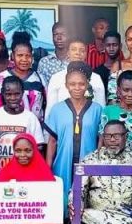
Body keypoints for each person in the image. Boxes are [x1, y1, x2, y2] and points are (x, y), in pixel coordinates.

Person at [45, 62, 104, 203]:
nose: (77, 88)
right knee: (62, 203)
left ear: (87, 84)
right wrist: (47, 169)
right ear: (66, 85)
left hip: (89, 164)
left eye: (81, 84)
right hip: (62, 164)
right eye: (72, 84)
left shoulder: (97, 109)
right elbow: (52, 141)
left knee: (87, 203)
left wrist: (99, 162)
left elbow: (101, 139)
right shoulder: (57, 110)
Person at [0, 76, 45, 173]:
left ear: (22, 93)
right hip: (0, 173)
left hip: (24, 173)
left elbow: (38, 148)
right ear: (2, 94)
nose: (13, 98)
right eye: (8, 94)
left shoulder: (30, 118)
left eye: (17, 94)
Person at [45, 38, 107, 116]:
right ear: (68, 53)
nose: (78, 53)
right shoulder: (56, 78)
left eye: (82, 50)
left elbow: (102, 109)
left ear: (86, 54)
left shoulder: (96, 78)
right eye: (74, 49)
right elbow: (50, 110)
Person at [0, 38, 44, 119]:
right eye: (20, 55)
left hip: (33, 127)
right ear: (12, 56)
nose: (24, 59)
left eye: (28, 55)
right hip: (6, 127)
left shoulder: (39, 78)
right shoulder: (1, 78)